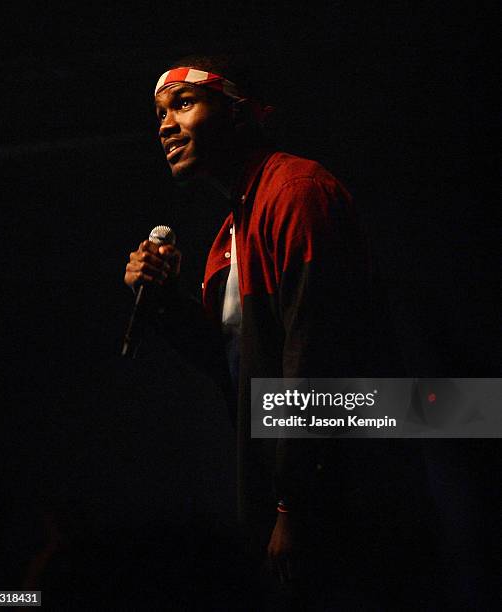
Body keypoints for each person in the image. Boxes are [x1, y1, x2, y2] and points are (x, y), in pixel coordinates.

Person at [123, 54, 398, 607]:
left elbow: (315, 353)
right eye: (159, 113)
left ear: (240, 113)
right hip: (289, 485)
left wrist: (293, 507)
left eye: (183, 103)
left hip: (349, 481)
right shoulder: (231, 230)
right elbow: (240, 370)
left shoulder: (296, 192)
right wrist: (161, 303)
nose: (165, 124)